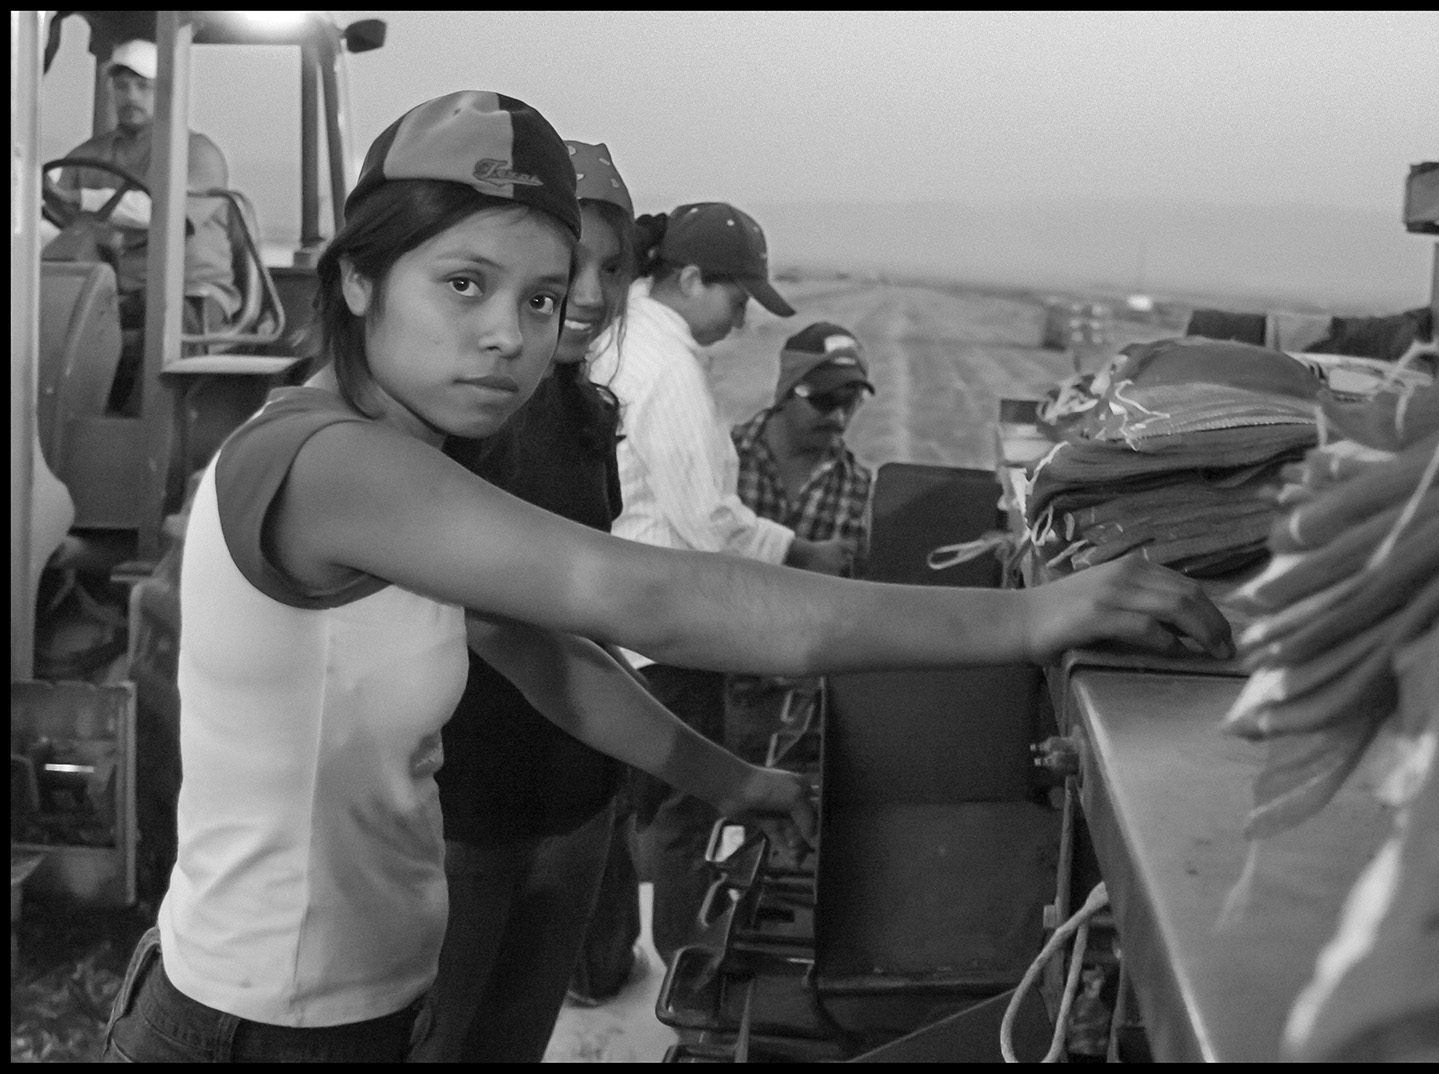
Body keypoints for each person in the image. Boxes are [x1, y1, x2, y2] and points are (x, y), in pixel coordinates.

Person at [102, 90, 1233, 1064]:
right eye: (463, 283)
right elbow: (647, 597)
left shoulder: (410, 468)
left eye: (541, 299)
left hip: (366, 1001)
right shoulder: (326, 465)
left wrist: (729, 779)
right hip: (263, 1028)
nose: (510, 335)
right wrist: (1033, 616)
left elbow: (544, 652)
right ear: (357, 281)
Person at [409, 140, 642, 1063]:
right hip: (460, 823)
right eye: (568, 267)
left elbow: (587, 621)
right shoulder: (453, 424)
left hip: (572, 814)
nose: (591, 293)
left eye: (614, 268)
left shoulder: (588, 419)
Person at [582, 201, 857, 977]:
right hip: (662, 631)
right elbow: (708, 521)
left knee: (608, 807)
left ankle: (599, 963)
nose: (739, 324)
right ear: (691, 278)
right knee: (683, 809)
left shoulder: (619, 338)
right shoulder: (668, 369)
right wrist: (802, 551)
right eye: (737, 301)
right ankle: (690, 958)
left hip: (611, 616)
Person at [47, 38, 240, 412]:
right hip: (111, 293)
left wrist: (84, 200)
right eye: (122, 85)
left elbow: (162, 213)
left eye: (143, 85)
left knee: (166, 322)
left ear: (164, 89)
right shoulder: (87, 155)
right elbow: (54, 215)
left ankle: (138, 443)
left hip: (191, 294)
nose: (130, 95)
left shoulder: (197, 153)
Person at [726, 321, 877, 762]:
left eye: (850, 403)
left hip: (799, 710)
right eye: (825, 400)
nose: (839, 418)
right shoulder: (720, 462)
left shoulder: (862, 491)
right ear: (787, 390)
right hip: (710, 686)